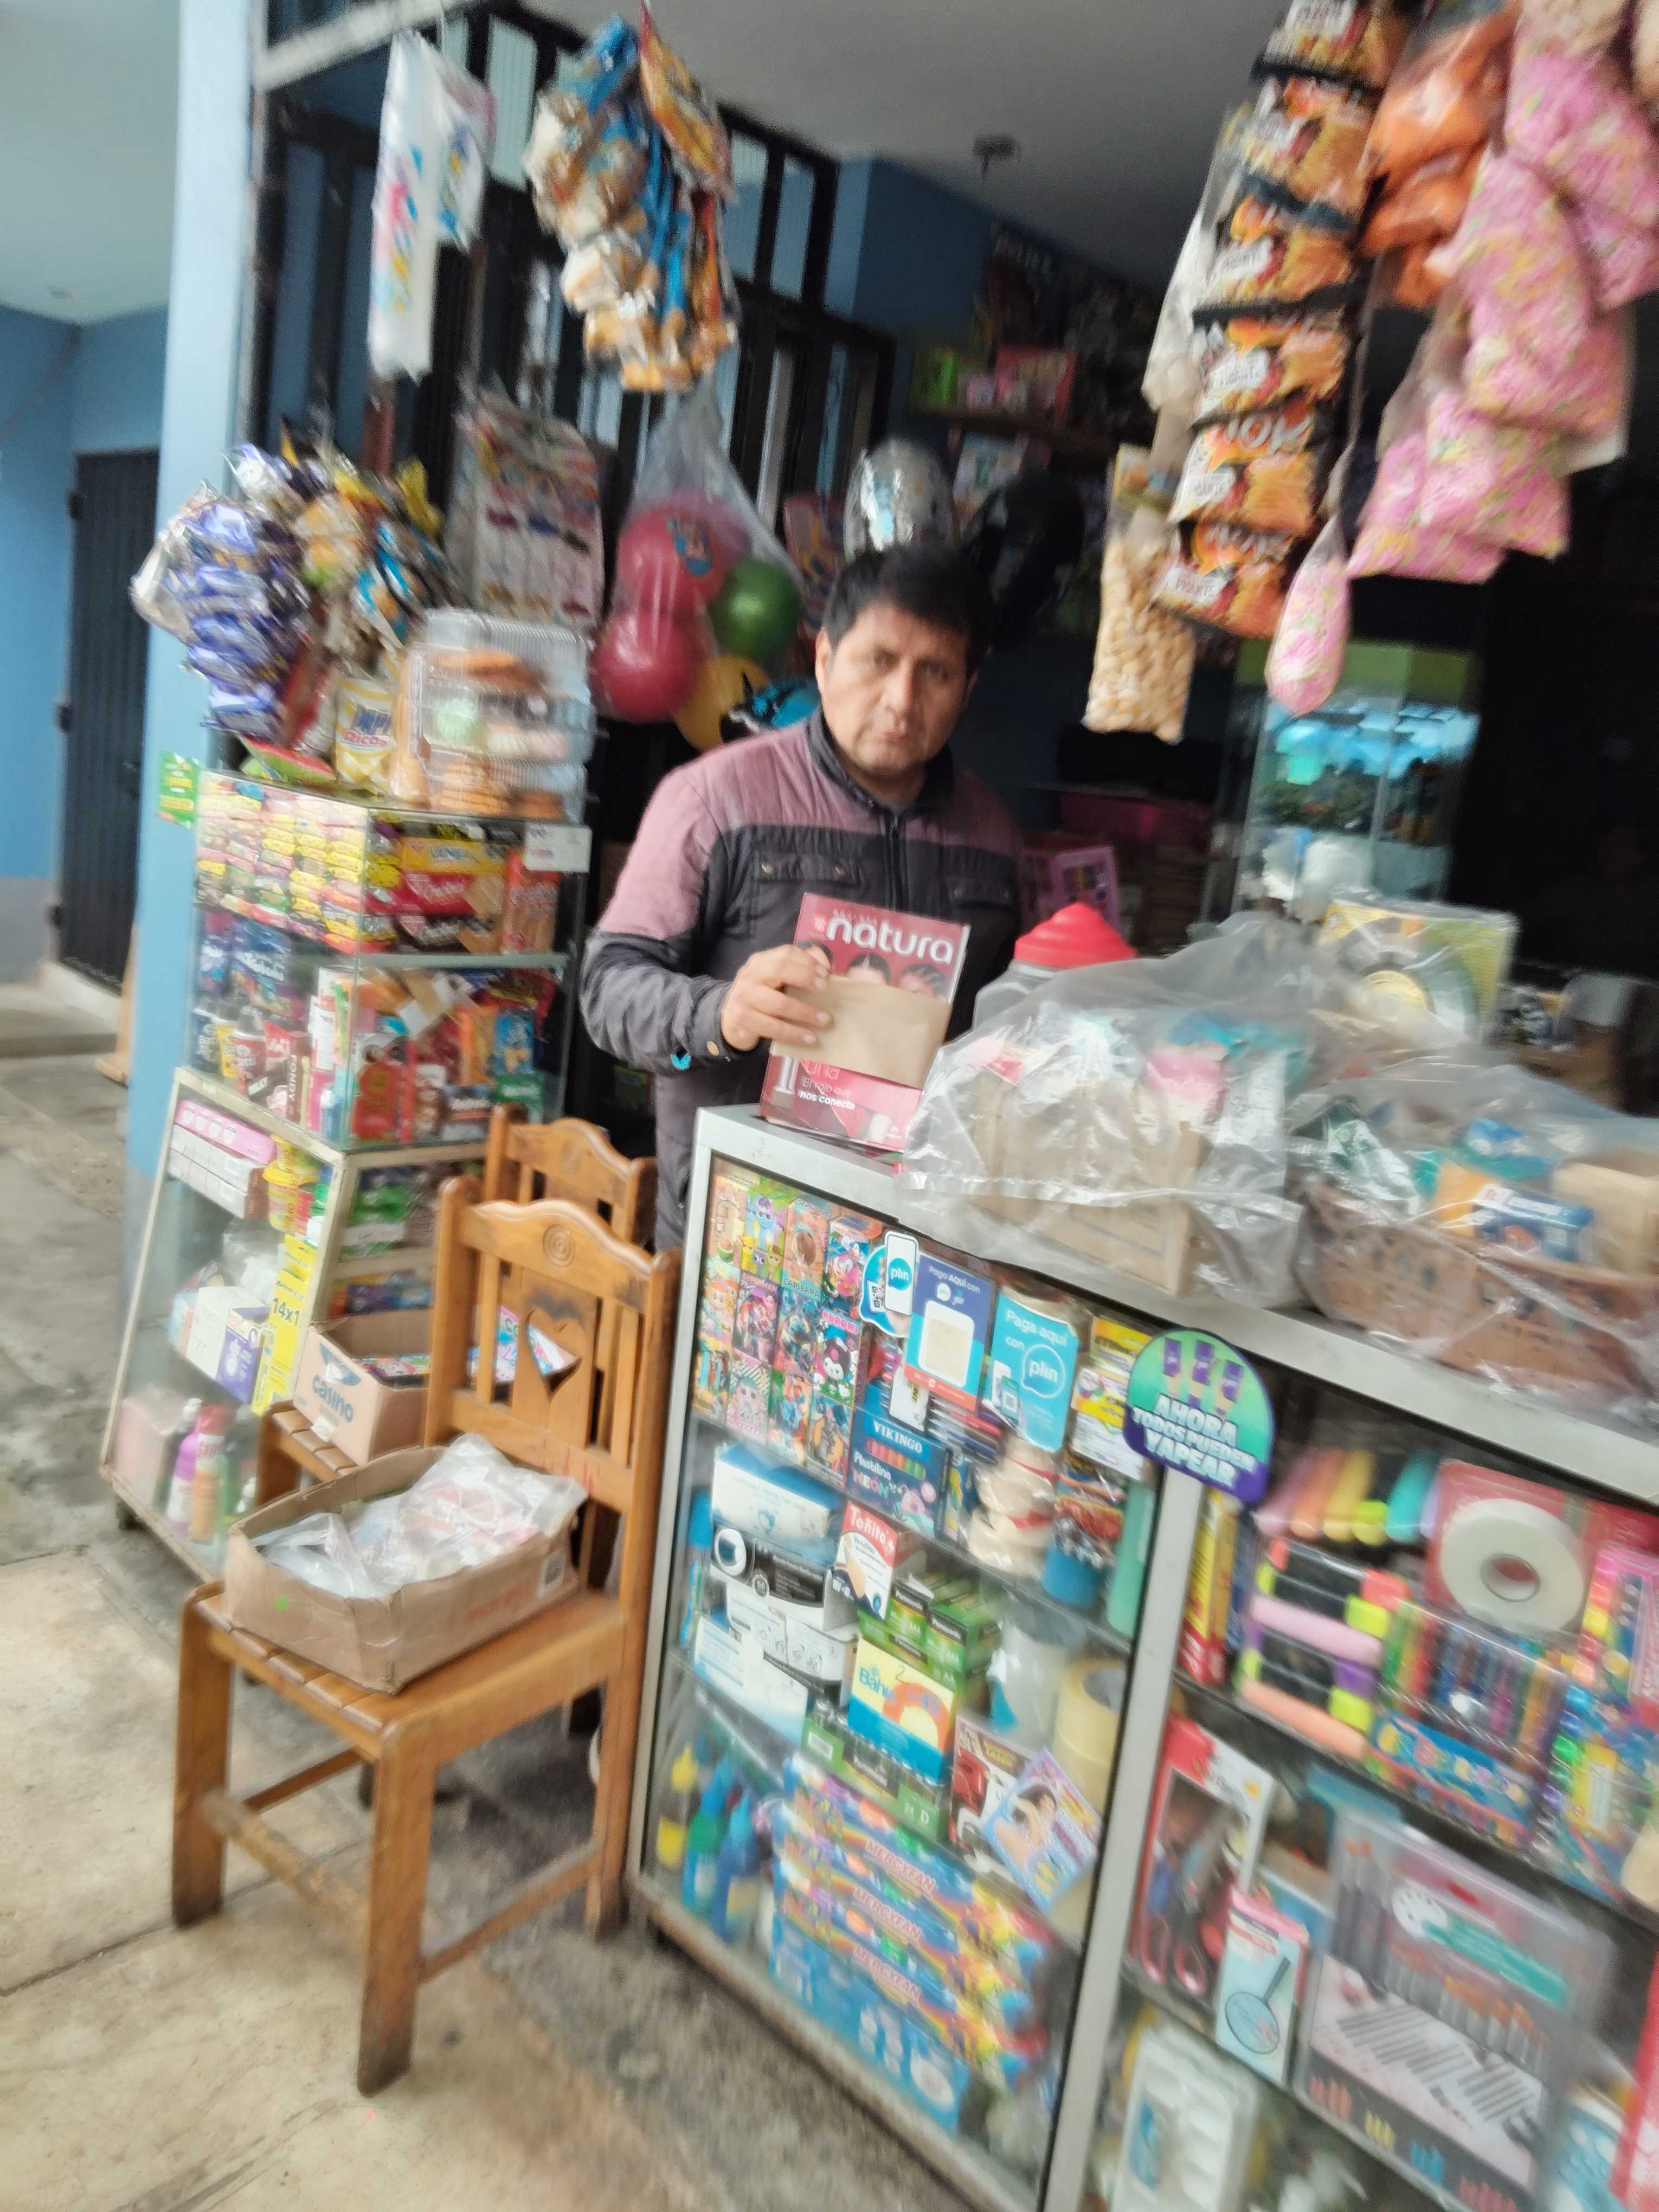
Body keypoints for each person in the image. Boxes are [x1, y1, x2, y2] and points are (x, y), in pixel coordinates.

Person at [580, 543, 1023, 1247]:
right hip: (742, 1237)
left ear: (966, 690)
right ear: (823, 660)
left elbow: (1012, 1018)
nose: (901, 701)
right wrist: (721, 1013)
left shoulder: (992, 832)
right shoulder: (714, 798)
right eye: (878, 661)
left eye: (935, 673)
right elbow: (608, 988)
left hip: (915, 1239)